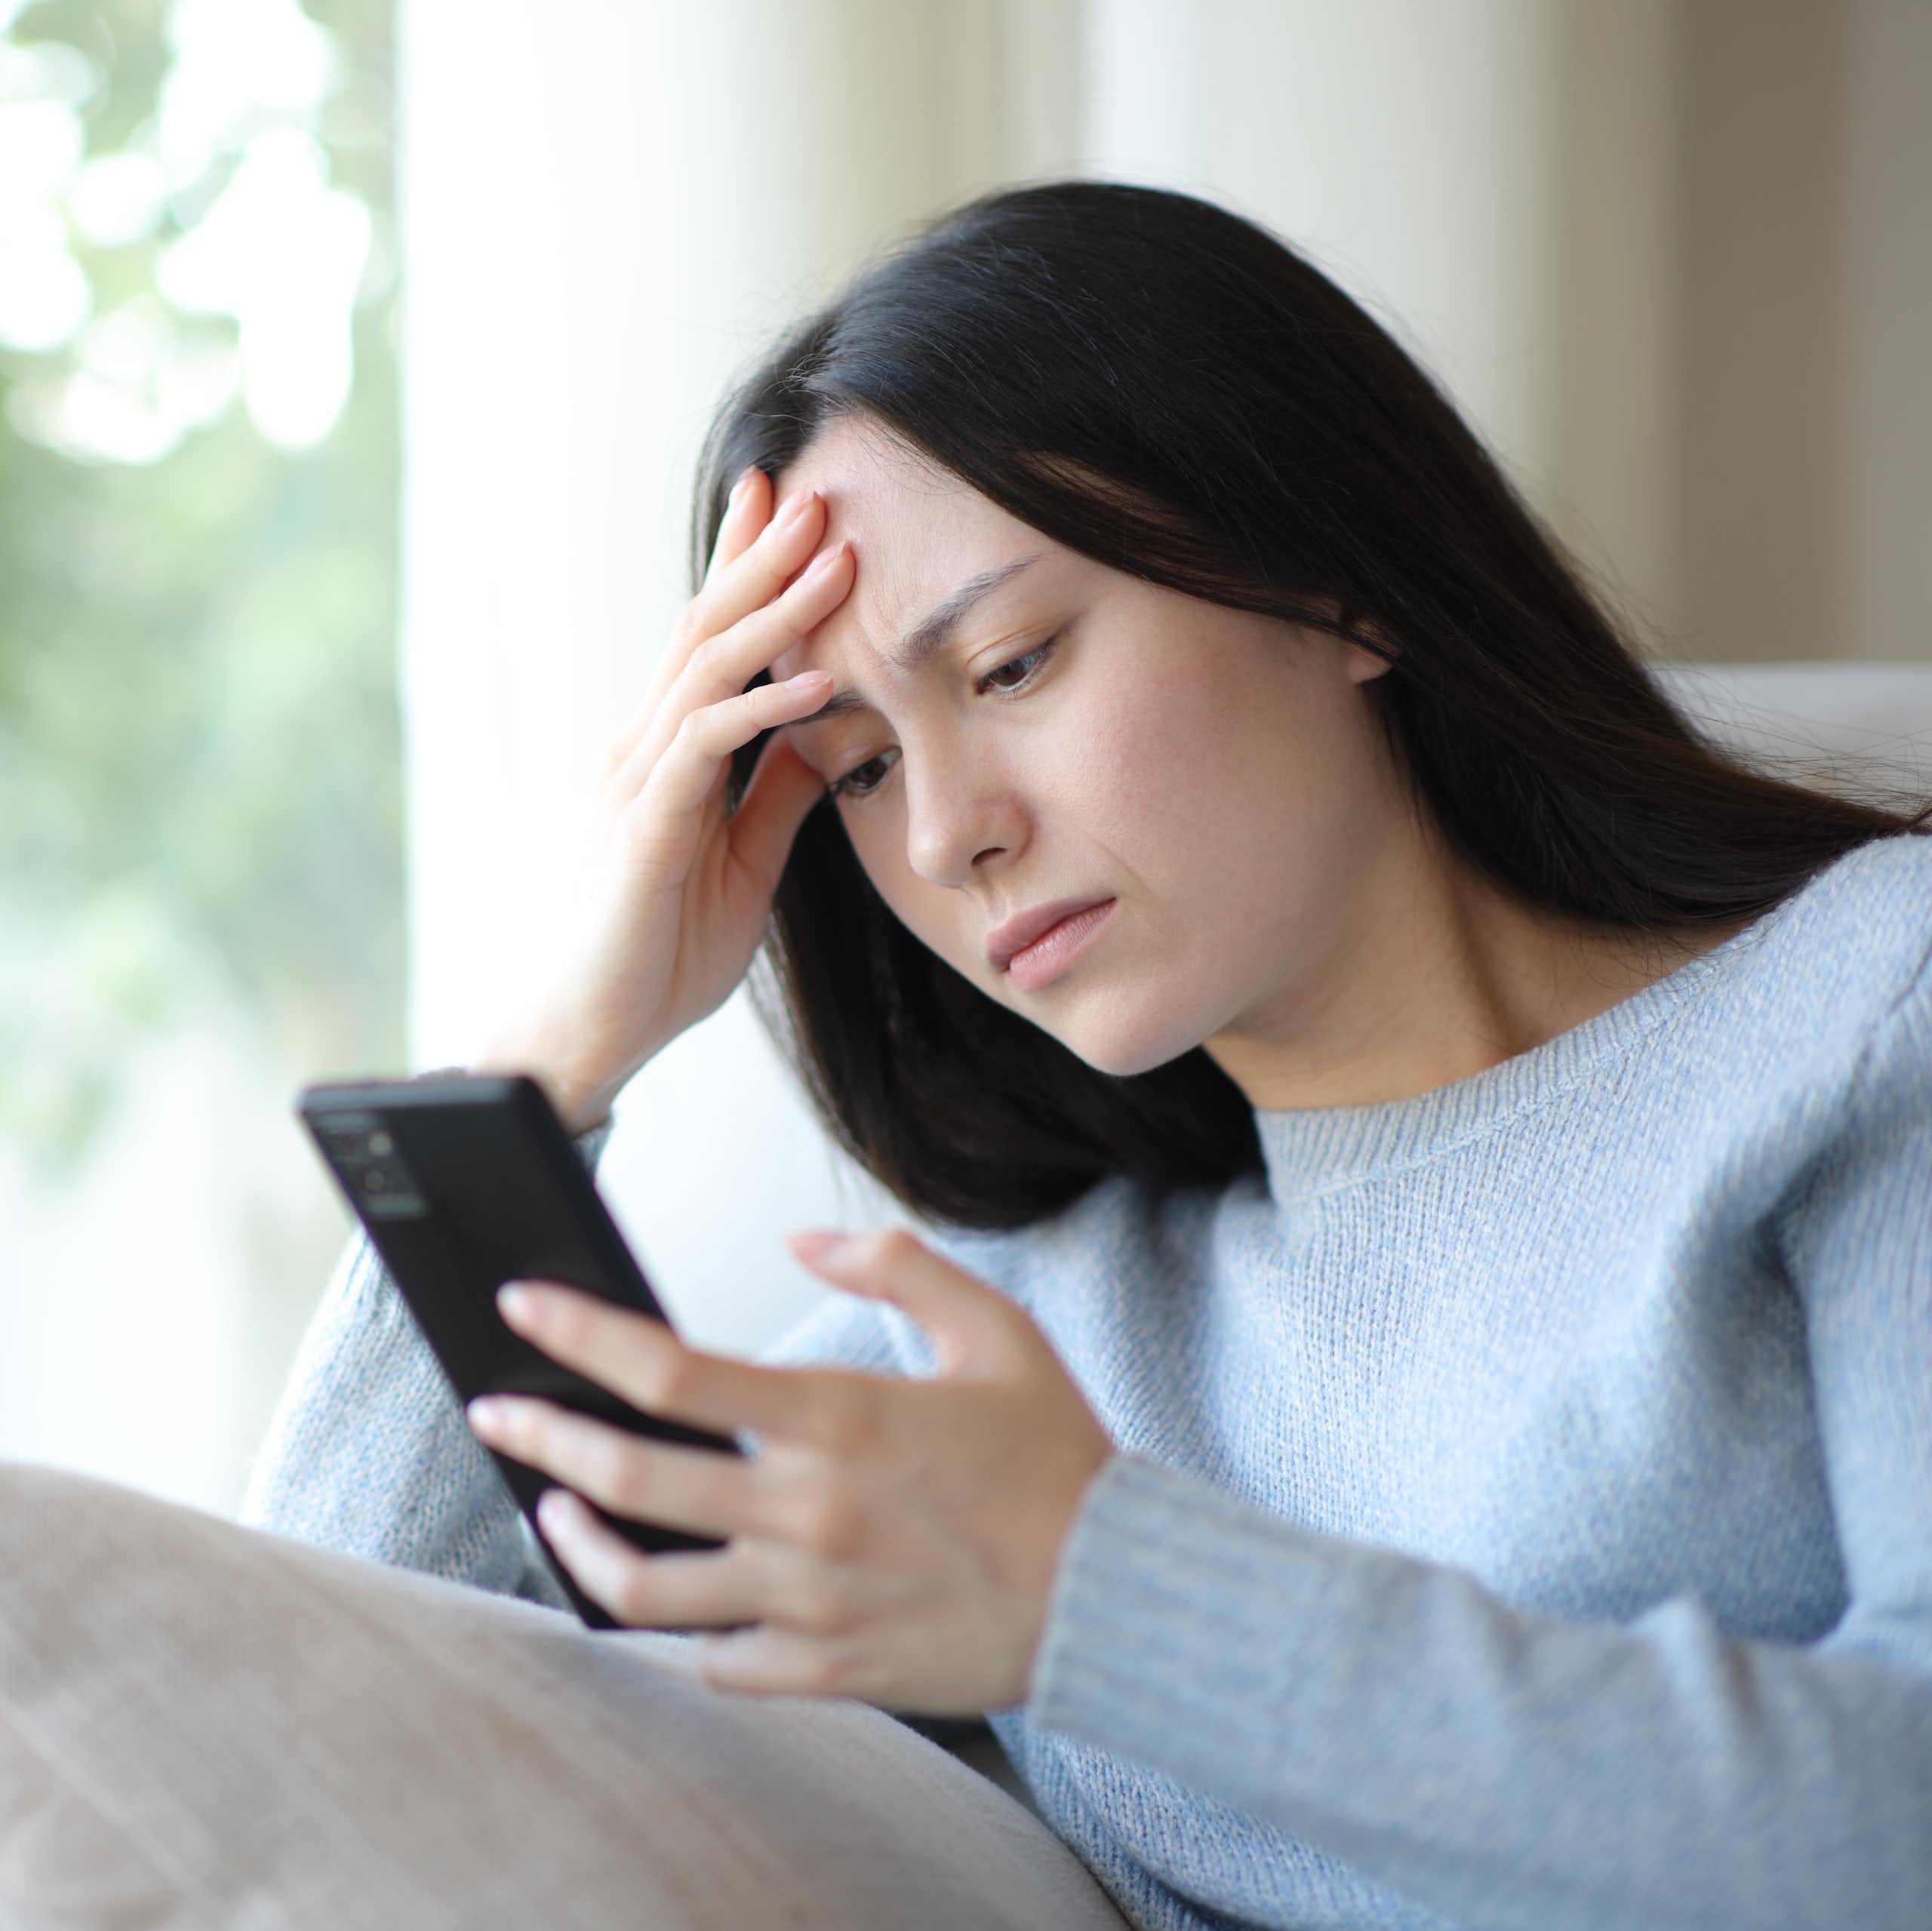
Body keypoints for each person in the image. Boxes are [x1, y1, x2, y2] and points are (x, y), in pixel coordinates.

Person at [11, 180, 1932, 1931]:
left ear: (1337, 576)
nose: (943, 832)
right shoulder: (1020, 1335)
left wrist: (1101, 1595)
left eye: (1010, 665)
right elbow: (304, 1728)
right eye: (853, 766)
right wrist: (539, 1071)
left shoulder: (1868, 1007)